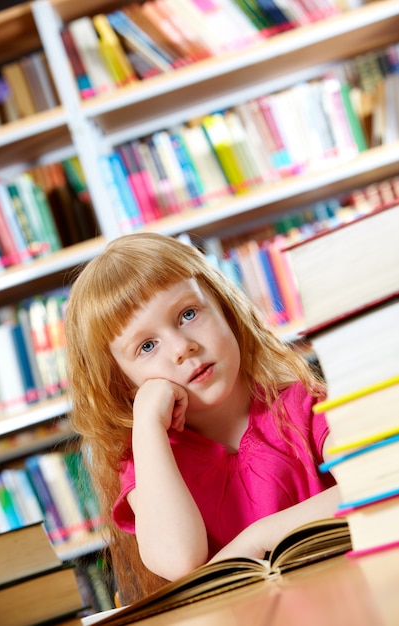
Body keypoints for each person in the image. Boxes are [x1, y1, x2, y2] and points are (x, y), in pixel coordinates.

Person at [64, 232, 340, 604]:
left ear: (225, 307)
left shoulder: (301, 406)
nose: (182, 348)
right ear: (124, 383)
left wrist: (257, 540)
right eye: (147, 346)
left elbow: (375, 478)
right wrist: (146, 423)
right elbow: (178, 559)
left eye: (188, 314)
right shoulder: (149, 462)